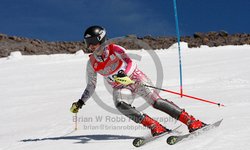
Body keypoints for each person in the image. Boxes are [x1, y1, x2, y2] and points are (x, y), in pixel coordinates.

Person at [70, 25, 206, 136]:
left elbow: (131, 63)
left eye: (93, 42)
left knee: (156, 102)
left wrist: (126, 73)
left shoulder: (115, 49)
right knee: (120, 104)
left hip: (136, 79)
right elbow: (91, 85)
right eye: (88, 43)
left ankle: (191, 121)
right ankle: (154, 126)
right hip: (121, 86)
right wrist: (81, 102)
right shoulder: (92, 63)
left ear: (102, 39)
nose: (91, 46)